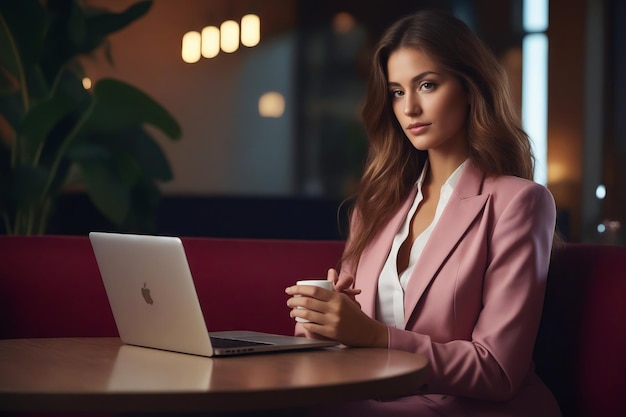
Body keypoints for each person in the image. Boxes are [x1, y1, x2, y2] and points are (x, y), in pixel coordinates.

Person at [285, 8, 562, 417]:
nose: (409, 107)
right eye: (397, 91)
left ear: (469, 87)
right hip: (375, 400)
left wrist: (375, 337)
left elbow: (499, 371)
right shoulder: (376, 206)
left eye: (427, 85)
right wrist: (322, 319)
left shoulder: (519, 203)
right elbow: (342, 344)